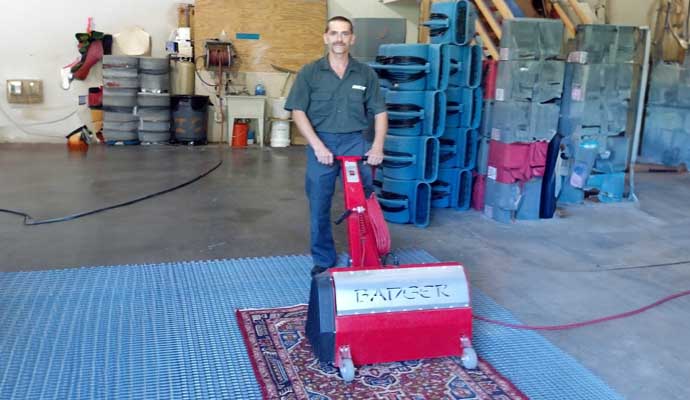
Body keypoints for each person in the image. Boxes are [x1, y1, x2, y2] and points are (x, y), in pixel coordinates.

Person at [284, 16, 388, 277]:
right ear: (326, 37)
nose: (339, 39)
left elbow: (379, 112)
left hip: (355, 142)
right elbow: (298, 111)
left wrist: (376, 146)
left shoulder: (366, 73)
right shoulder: (310, 72)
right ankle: (324, 258)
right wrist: (318, 146)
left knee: (363, 202)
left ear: (352, 38)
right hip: (323, 143)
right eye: (334, 33)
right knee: (319, 203)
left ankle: (367, 254)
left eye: (344, 34)